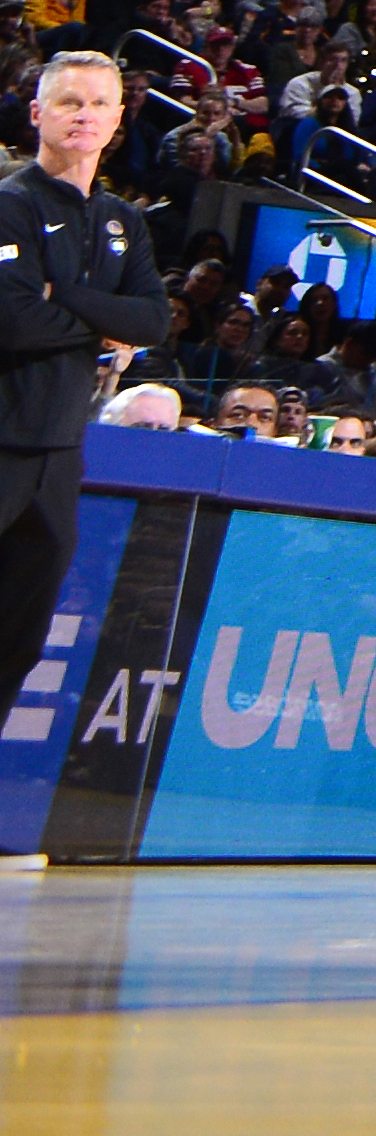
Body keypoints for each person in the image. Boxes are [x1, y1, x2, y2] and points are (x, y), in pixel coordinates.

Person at [0, 50, 173, 711]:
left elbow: (154, 319)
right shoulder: (10, 206)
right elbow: (13, 322)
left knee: (18, 639)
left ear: (118, 119)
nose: (84, 116)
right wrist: (103, 325)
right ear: (38, 112)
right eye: (70, 102)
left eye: (99, 103)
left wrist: (62, 294)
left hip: (59, 458)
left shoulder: (122, 221)